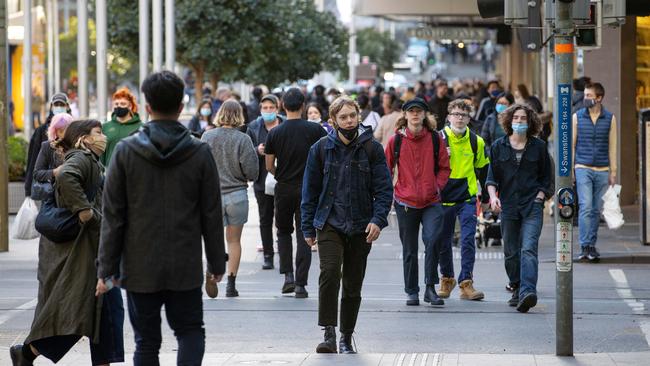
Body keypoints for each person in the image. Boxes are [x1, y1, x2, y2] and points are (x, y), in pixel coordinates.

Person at [96, 71, 227, 366]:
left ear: (146, 106)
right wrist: (217, 263)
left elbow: (113, 216)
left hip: (139, 265)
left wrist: (106, 267)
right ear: (181, 107)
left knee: (146, 343)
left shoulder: (126, 152)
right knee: (191, 331)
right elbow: (211, 214)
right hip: (185, 264)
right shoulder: (199, 152)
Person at [10, 119, 124, 366]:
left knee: (102, 313)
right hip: (85, 250)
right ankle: (28, 351)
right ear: (83, 138)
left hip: (92, 247)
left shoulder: (90, 160)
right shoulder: (80, 159)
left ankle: (29, 352)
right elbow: (67, 177)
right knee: (90, 311)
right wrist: (84, 210)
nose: (103, 137)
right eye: (98, 133)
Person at [302, 96, 393, 354]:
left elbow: (384, 190)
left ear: (358, 116)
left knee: (353, 282)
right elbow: (309, 192)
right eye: (343, 117)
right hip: (329, 221)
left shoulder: (371, 149)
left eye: (352, 115)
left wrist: (378, 219)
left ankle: (346, 335)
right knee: (329, 272)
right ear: (333, 121)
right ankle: (328, 333)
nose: (349, 121)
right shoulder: (320, 149)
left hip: (361, 225)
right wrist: (308, 227)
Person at [486, 103, 553, 313]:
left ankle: (527, 291)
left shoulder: (539, 147)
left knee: (529, 249)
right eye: (516, 118)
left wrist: (540, 197)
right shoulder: (498, 146)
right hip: (508, 206)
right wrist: (493, 197)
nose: (519, 122)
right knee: (511, 252)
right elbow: (491, 178)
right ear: (509, 121)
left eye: (523, 119)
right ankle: (516, 285)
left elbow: (547, 178)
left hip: (532, 205)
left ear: (530, 121)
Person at [385, 98, 451, 306]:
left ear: (424, 115)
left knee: (432, 242)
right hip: (405, 202)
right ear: (404, 115)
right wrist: (389, 194)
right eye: (411, 111)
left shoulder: (434, 139)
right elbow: (385, 170)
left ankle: (430, 288)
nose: (415, 114)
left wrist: (437, 186)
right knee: (410, 249)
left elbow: (444, 167)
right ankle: (412, 290)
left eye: (419, 111)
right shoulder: (395, 141)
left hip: (431, 200)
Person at [265, 88, 327, 298]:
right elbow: (324, 160)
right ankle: (301, 284)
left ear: (282, 105)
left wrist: (280, 173)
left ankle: (288, 276)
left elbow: (269, 164)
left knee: (283, 231)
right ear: (303, 106)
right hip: (308, 189)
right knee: (305, 234)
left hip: (283, 187)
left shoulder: (275, 132)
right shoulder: (316, 131)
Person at [433, 100, 490, 302]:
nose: (459, 118)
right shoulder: (437, 139)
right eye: (455, 114)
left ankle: (466, 282)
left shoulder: (477, 142)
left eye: (463, 115)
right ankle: (447, 279)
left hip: (467, 197)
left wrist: (487, 199)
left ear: (469, 118)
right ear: (448, 116)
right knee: (443, 241)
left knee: (467, 240)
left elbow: (483, 170)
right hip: (443, 198)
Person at [202, 100, 258, 297]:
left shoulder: (207, 137)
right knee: (234, 241)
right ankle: (231, 285)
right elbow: (252, 172)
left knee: (212, 239)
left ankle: (212, 270)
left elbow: (200, 167)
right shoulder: (243, 140)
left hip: (212, 196)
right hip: (237, 195)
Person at [572, 82, 617, 262]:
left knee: (596, 209)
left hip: (602, 168)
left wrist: (613, 171)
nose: (586, 99)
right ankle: (584, 245)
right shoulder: (577, 117)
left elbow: (612, 146)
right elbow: (572, 144)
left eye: (589, 96)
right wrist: (571, 170)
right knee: (586, 206)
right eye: (585, 95)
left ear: (599, 98)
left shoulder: (610, 118)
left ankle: (591, 245)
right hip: (582, 167)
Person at [247, 94, 285, 269]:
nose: (268, 111)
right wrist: (257, 150)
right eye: (265, 108)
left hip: (284, 180)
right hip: (261, 180)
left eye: (271, 108)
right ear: (261, 109)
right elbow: (246, 151)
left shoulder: (285, 125)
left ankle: (284, 253)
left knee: (283, 219)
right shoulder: (254, 127)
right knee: (265, 218)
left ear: (277, 109)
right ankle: (268, 255)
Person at [24, 93, 70, 199]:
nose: (59, 107)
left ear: (67, 106)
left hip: (69, 188)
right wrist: (28, 189)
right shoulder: (41, 131)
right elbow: (33, 160)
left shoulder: (75, 129)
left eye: (61, 104)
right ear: (51, 107)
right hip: (48, 188)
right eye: (56, 104)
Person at [31, 113, 74, 197]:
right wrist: (54, 172)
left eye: (67, 130)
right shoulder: (47, 146)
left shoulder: (77, 146)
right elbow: (37, 173)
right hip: (52, 199)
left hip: (74, 196)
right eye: (61, 131)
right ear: (55, 131)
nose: (64, 134)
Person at [101, 87, 143, 166]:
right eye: (116, 104)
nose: (119, 106)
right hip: (109, 174)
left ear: (130, 106)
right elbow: (101, 155)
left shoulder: (141, 127)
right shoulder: (105, 127)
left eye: (123, 104)